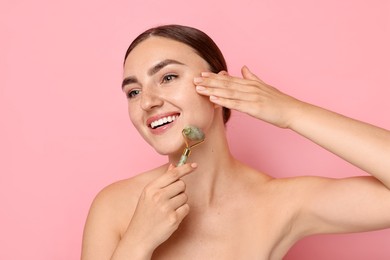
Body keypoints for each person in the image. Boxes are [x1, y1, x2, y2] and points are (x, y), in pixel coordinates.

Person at [81, 24, 390, 260]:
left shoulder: (279, 203)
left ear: (218, 85)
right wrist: (137, 242)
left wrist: (291, 113)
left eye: (168, 77)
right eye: (133, 92)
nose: (147, 102)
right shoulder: (116, 206)